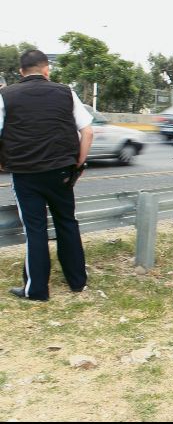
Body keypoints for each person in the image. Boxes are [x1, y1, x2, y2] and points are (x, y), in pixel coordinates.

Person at [0, 50, 94, 301]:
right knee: (67, 222)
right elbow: (87, 132)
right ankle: (77, 282)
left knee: (35, 230)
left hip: (26, 174)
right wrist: (78, 164)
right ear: (46, 70)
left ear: (20, 72)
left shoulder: (5, 96)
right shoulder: (66, 92)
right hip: (62, 172)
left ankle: (37, 290)